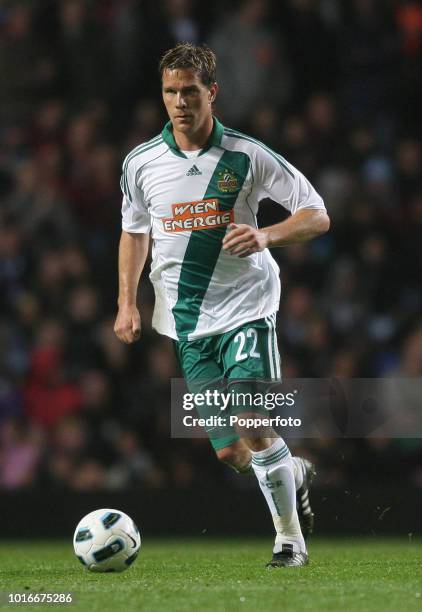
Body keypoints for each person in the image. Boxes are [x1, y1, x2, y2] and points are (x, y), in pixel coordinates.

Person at [114, 43, 330, 568]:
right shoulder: (140, 163)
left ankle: (289, 542)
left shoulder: (246, 155)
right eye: (171, 91)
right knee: (234, 452)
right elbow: (134, 233)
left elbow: (317, 214)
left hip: (247, 306)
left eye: (190, 90)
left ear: (211, 92)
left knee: (255, 419)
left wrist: (266, 235)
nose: (180, 102)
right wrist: (126, 303)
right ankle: (291, 470)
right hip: (186, 321)